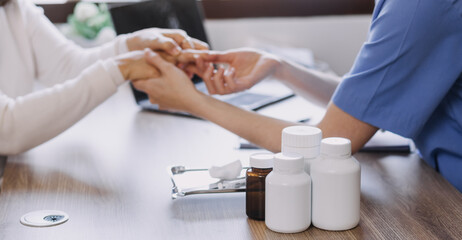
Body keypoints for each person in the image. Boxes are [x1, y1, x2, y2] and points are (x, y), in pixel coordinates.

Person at [132, 0, 462, 192]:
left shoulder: (421, 8)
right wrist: (279, 67)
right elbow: (369, 102)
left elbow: (328, 144)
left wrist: (193, 101)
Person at [0, 0, 207, 155]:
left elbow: (67, 68)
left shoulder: (15, 7)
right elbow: (7, 128)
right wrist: (122, 68)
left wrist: (131, 45)